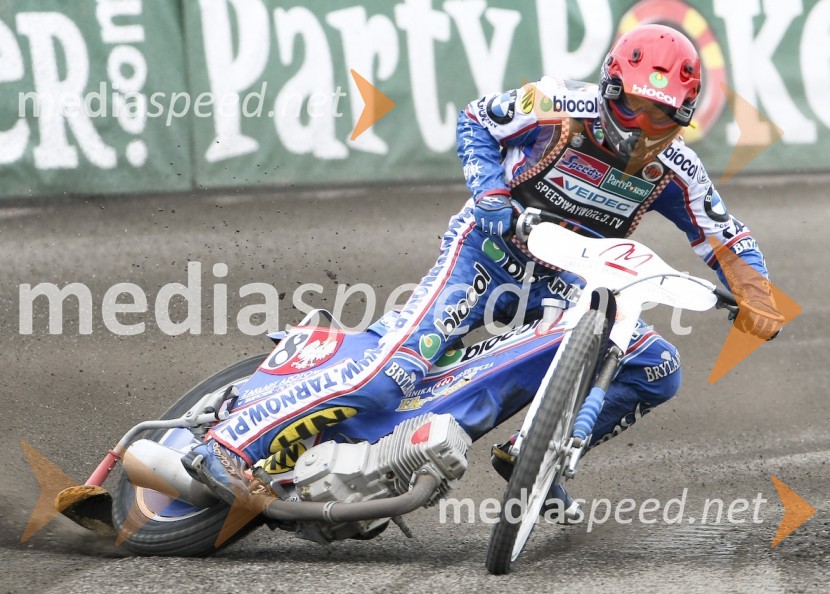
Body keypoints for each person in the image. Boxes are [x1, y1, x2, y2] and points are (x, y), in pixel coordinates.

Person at [183, 24, 783, 515]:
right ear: (608, 88)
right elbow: (476, 118)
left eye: (660, 116)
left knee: (658, 368)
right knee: (389, 377)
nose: (639, 127)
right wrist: (492, 195)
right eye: (631, 106)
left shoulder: (678, 171)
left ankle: (537, 455)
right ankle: (232, 444)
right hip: (485, 255)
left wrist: (757, 296)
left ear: (682, 120)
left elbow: (728, 239)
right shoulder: (554, 102)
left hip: (563, 285)